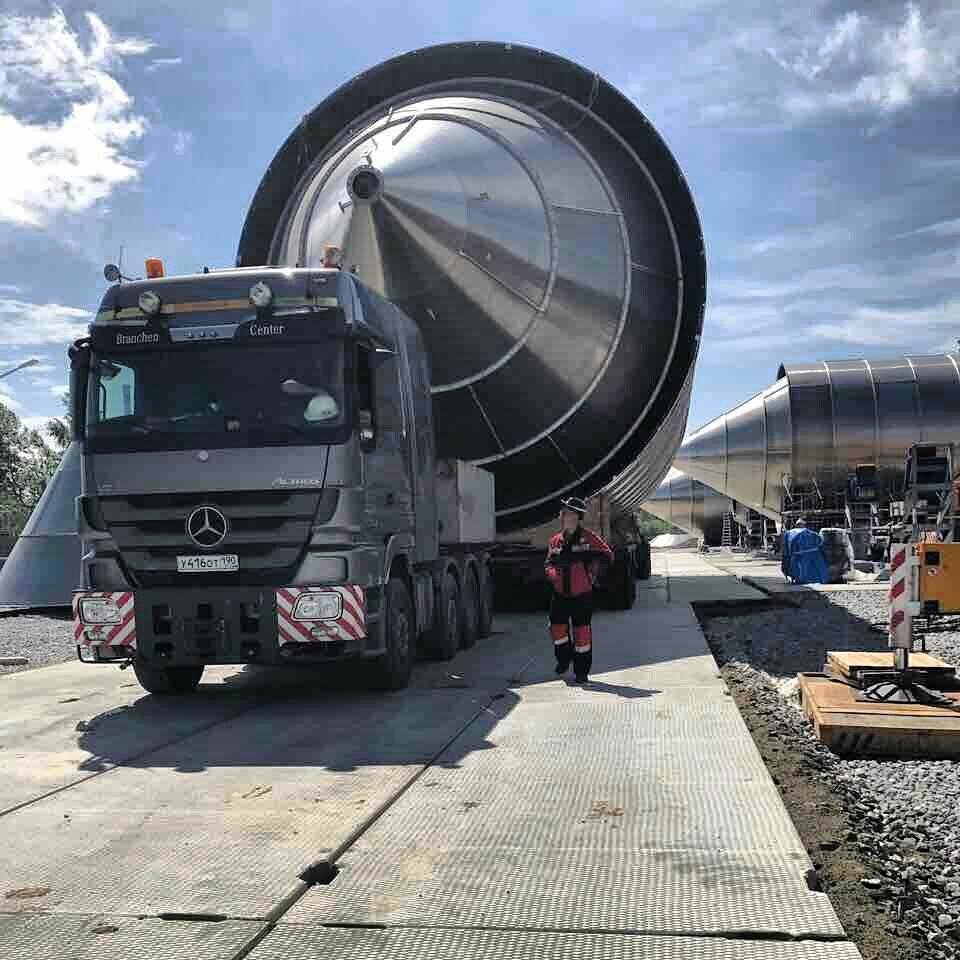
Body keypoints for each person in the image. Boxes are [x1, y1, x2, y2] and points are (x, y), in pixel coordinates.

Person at [544, 496, 614, 683]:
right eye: (565, 514)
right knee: (557, 629)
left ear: (578, 517)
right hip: (560, 594)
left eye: (572, 515)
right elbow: (548, 564)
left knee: (582, 634)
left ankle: (581, 672)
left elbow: (607, 555)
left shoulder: (588, 538)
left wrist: (592, 566)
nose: (568, 518)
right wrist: (553, 576)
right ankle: (564, 660)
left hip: (582, 594)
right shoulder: (555, 541)